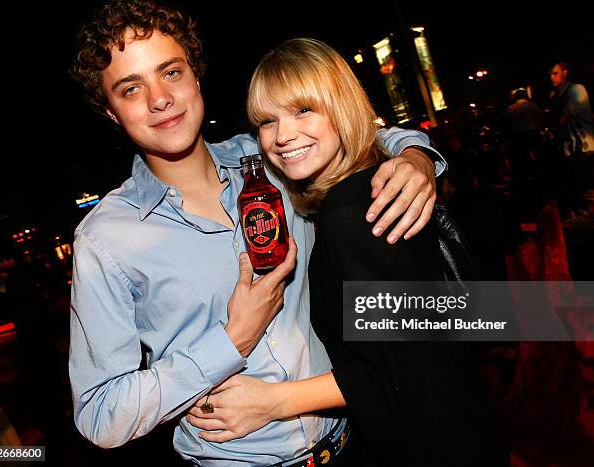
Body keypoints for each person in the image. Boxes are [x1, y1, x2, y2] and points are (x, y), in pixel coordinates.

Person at [68, 1, 447, 465]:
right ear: (111, 113)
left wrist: (415, 157)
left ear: (195, 75)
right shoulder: (106, 239)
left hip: (356, 442)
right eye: (131, 88)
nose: (159, 99)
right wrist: (230, 342)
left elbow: (346, 129)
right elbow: (100, 414)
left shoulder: (275, 153)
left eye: (170, 73)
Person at [187, 38, 507, 466]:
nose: (283, 136)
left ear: (340, 108)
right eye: (266, 121)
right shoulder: (359, 188)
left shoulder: (355, 211)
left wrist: (275, 401)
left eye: (303, 110)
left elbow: (410, 368)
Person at [548, 61, 594, 217]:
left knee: (586, 189)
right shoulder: (556, 95)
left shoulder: (576, 90)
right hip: (568, 149)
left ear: (565, 72)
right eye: (550, 74)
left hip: (584, 146)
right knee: (574, 189)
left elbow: (564, 117)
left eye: (555, 73)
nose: (552, 77)